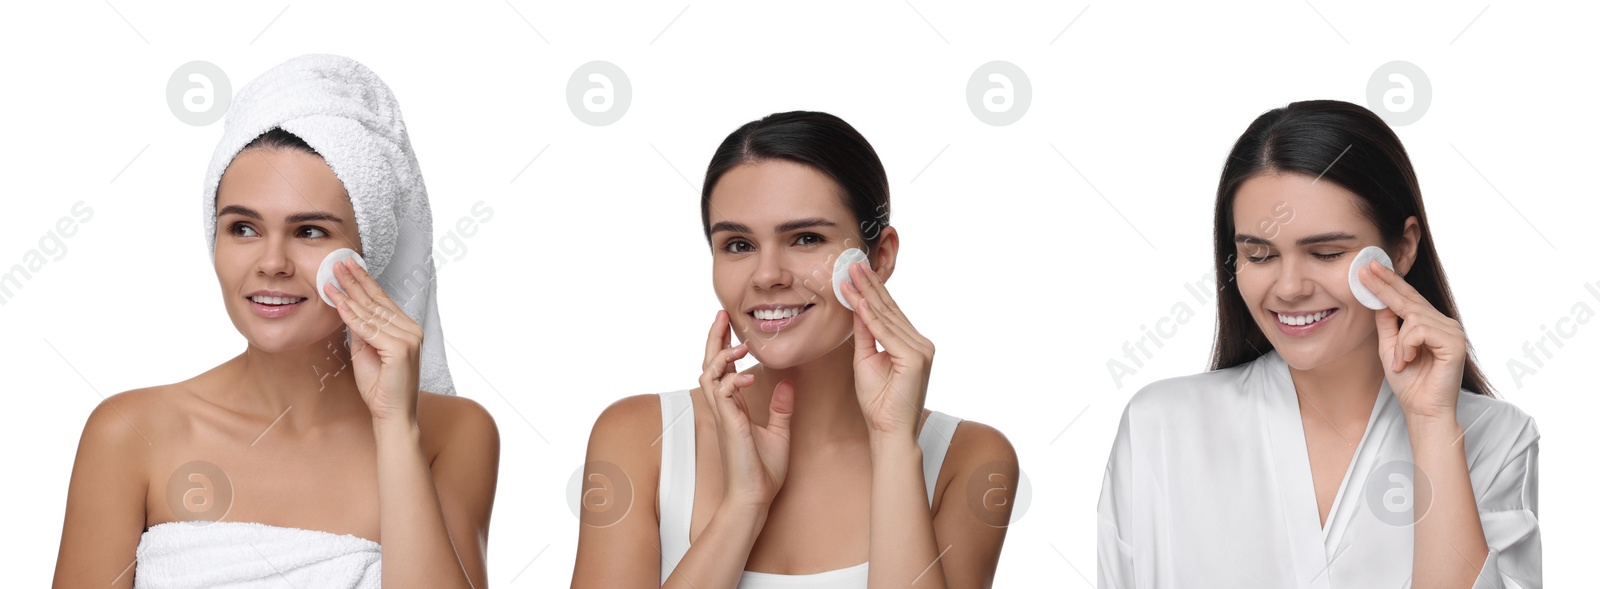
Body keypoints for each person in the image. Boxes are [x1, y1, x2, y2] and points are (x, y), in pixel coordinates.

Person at [52, 54, 498, 589]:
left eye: (310, 231)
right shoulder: (129, 433)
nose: (271, 262)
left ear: (368, 250)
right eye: (243, 228)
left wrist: (394, 428)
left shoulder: (453, 432)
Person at [1096, 100, 1540, 588]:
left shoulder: (1494, 438)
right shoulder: (1160, 425)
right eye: (1259, 255)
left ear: (1403, 248)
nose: (1289, 287)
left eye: (1326, 253)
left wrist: (1431, 424)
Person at [571, 111, 1019, 588]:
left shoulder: (969, 459)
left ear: (880, 256)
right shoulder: (640, 439)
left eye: (806, 239)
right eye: (738, 244)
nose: (767, 276)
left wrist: (892, 442)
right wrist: (744, 504)